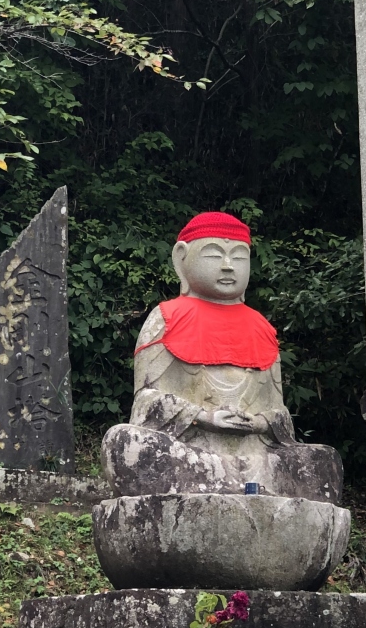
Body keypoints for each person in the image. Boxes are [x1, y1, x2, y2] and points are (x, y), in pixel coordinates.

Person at [101, 211, 344, 504]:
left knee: (323, 460)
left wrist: (260, 423)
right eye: (214, 256)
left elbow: (279, 413)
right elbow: (146, 401)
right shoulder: (165, 318)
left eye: (239, 257)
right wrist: (203, 418)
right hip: (192, 453)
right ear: (181, 258)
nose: (228, 266)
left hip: (258, 457)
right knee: (125, 442)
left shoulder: (261, 327)